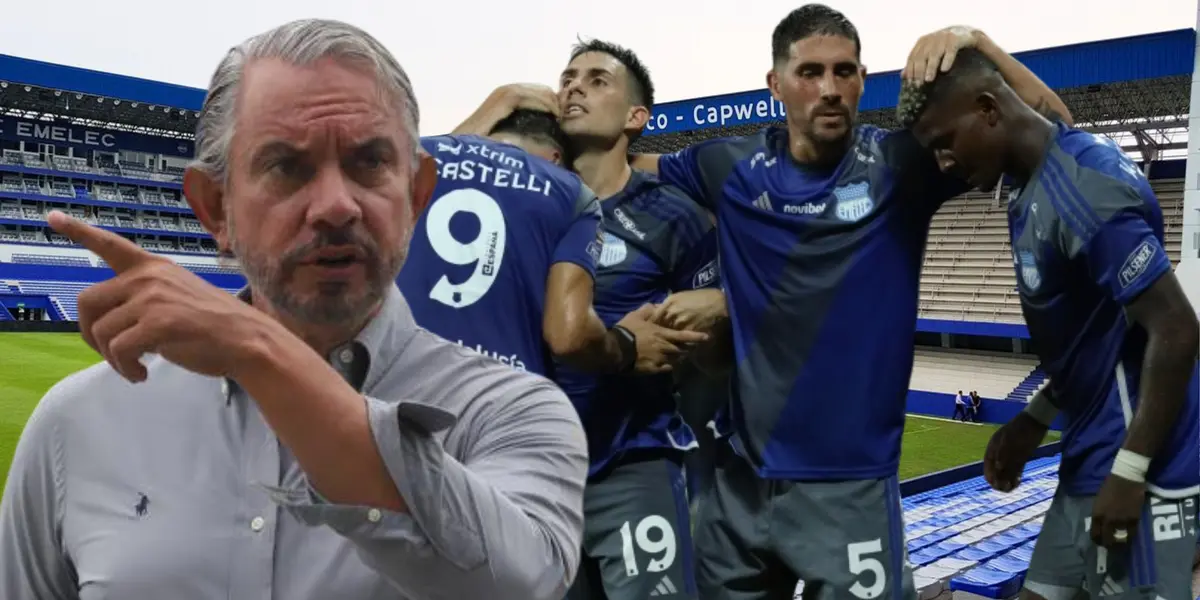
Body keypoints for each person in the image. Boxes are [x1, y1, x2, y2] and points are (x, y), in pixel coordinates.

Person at [0, 19, 588, 600]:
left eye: (368, 163)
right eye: (286, 166)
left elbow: (521, 583)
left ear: (415, 197)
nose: (336, 206)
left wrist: (261, 354)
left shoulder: (511, 413)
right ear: (215, 210)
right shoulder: (73, 427)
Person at [619, 5, 1074, 598]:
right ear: (775, 85)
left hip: (852, 491)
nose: (829, 89)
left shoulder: (901, 165)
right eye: (810, 72)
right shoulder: (728, 165)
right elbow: (618, 174)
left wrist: (976, 41)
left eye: (844, 71)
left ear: (863, 79)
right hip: (740, 487)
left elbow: (1055, 133)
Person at [898, 47, 1200, 600]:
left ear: (988, 110)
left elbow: (1177, 329)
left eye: (945, 142)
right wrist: (1033, 419)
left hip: (1141, 469)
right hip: (1087, 454)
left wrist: (1131, 472)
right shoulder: (1031, 173)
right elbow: (1091, 341)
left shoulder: (1085, 190)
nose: (943, 163)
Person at [457, 39, 728, 600]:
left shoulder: (673, 214)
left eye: (597, 80)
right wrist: (498, 103)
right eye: (568, 76)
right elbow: (420, 183)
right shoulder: (516, 201)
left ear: (637, 117)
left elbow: (718, 348)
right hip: (523, 472)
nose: (574, 85)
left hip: (630, 461)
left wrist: (701, 323)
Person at [399, 108, 697, 377]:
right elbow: (568, 336)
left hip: (393, 377)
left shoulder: (418, 160)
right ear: (557, 159)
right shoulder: (570, 192)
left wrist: (503, 97)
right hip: (502, 398)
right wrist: (625, 345)